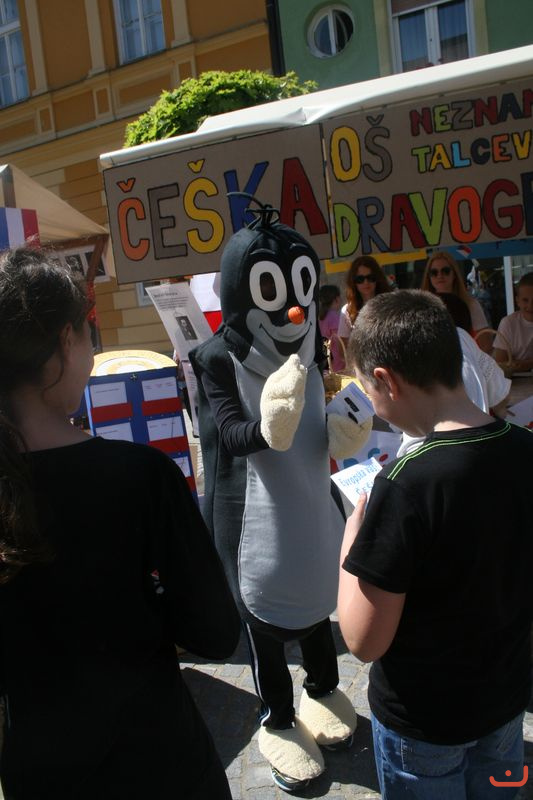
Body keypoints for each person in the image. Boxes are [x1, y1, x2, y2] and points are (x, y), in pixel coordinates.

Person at [0, 247, 240, 800]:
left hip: (42, 775)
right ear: (65, 341)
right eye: (89, 333)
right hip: (157, 763)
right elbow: (215, 632)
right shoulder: (141, 477)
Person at [337, 290, 532, 800]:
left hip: (423, 725)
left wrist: (351, 544)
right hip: (506, 702)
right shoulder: (526, 449)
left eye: (367, 390)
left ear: (385, 380)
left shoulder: (404, 483)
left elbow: (363, 641)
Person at [397, 292, 511, 456]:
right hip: (473, 446)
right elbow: (501, 396)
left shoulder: (411, 347)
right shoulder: (462, 338)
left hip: (423, 451)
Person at [421, 251, 491, 351]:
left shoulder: (471, 304)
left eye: (445, 271)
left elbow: (485, 344)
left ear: (454, 274)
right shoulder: (421, 307)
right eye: (434, 272)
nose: (439, 276)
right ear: (429, 277)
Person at [337, 256, 392, 349]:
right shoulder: (347, 311)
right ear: (353, 282)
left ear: (377, 279)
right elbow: (343, 348)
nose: (366, 282)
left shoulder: (390, 304)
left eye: (371, 277)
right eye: (360, 279)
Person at [493, 272, 533, 372]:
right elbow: (501, 364)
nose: (530, 306)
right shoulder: (508, 323)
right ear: (517, 301)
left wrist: (526, 364)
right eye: (525, 300)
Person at [318, 284, 344, 371]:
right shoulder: (334, 317)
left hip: (327, 363)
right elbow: (339, 341)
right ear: (337, 299)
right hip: (338, 363)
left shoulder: (320, 317)